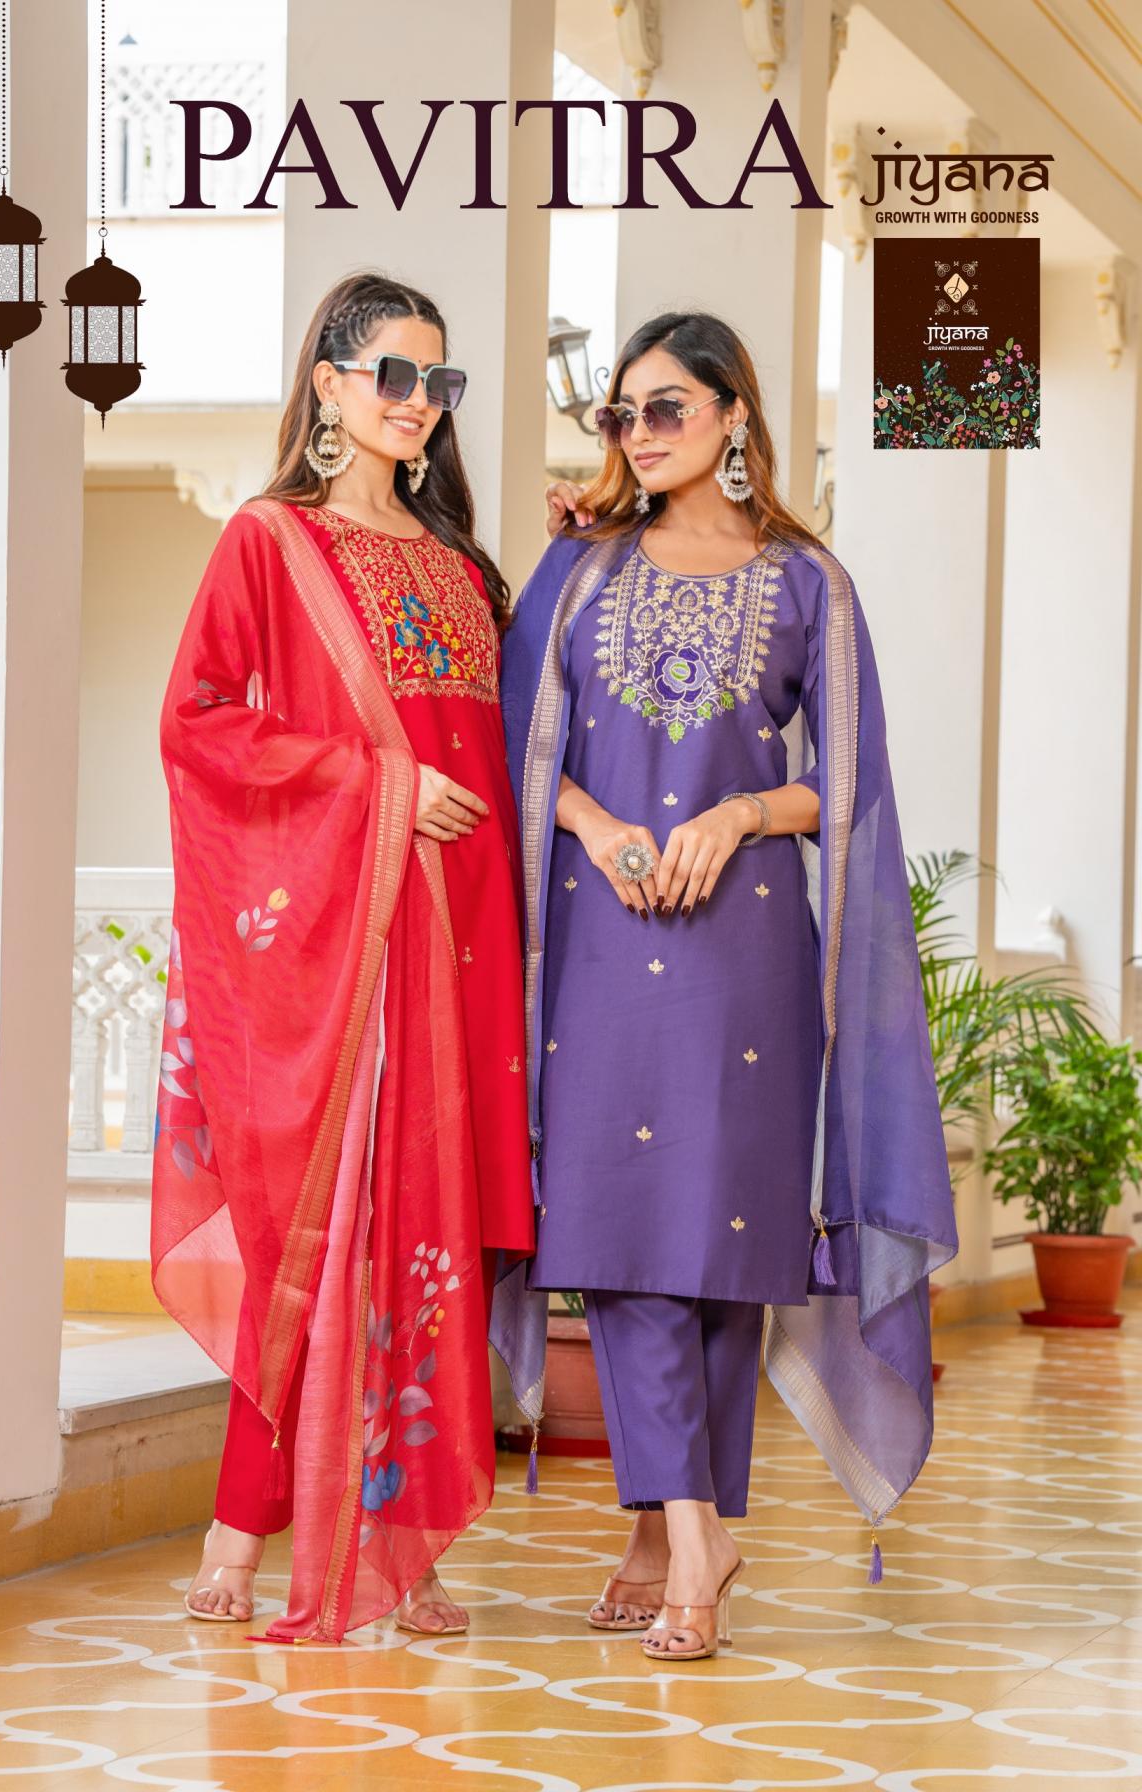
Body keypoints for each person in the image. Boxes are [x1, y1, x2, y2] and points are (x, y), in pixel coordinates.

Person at [491, 311, 958, 1663]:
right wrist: (596, 829)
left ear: (734, 415)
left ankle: (661, 1535)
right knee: (614, 1233)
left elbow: (851, 786)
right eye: (621, 413)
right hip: (601, 937)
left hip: (744, 945)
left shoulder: (811, 584)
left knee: (719, 1245)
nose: (638, 434)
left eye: (666, 409)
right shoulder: (579, 567)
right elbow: (520, 745)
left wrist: (742, 812)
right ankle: (700, 1535)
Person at [153, 272, 535, 1644]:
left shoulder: (466, 569)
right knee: (316, 1234)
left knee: (433, 1239)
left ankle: (405, 1544)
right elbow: (198, 722)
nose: (418, 403)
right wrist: (377, 785)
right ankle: (239, 1530)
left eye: (439, 381)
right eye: (393, 375)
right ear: (328, 383)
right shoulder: (271, 542)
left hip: (473, 934)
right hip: (352, 937)